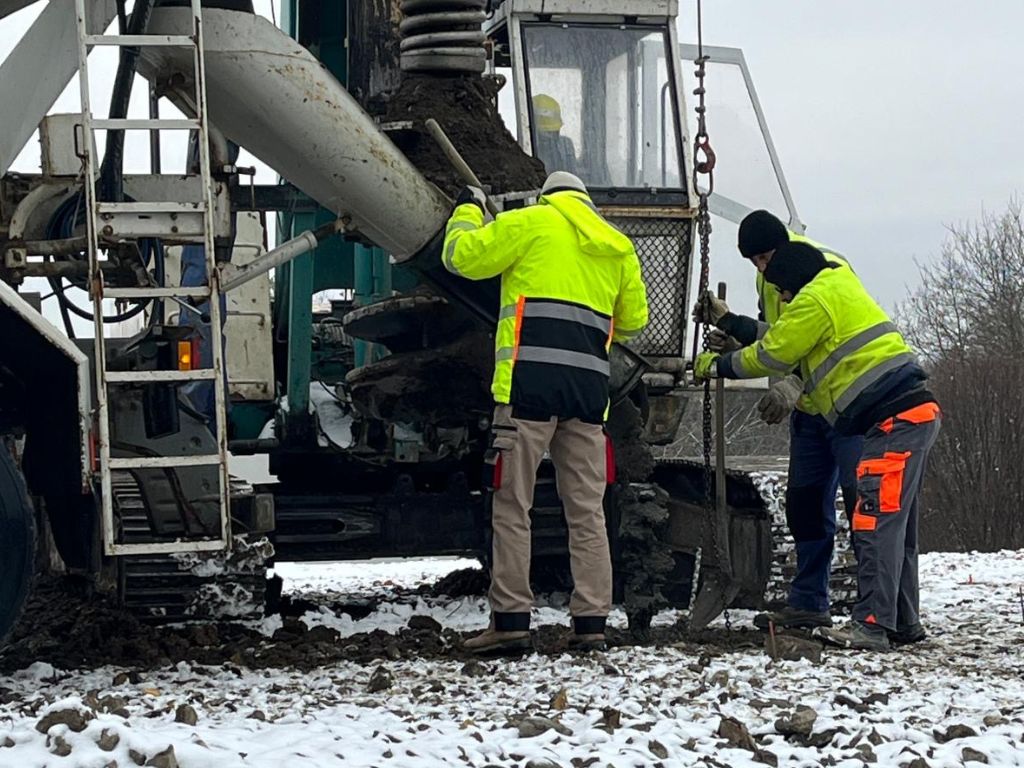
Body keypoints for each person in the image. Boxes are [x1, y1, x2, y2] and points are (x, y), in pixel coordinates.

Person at [693, 240, 940, 651]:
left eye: (784, 291)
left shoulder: (811, 300)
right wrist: (735, 324)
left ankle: (872, 626)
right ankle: (903, 621)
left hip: (891, 422)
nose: (783, 299)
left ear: (793, 280)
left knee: (873, 521)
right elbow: (786, 336)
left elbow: (771, 353)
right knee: (897, 524)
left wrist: (716, 366)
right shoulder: (837, 285)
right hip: (911, 414)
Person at [442, 171, 648, 654]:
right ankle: (591, 624)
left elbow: (461, 258)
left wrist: (468, 208)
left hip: (527, 390)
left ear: (546, 196)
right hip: (587, 397)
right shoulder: (617, 246)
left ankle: (511, 622)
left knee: (514, 506)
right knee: (587, 512)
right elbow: (634, 321)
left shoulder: (530, 222)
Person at [693, 210, 862, 631]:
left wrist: (793, 383)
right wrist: (734, 330)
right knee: (805, 506)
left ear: (784, 247)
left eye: (765, 258)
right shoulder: (768, 279)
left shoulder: (828, 268)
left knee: (865, 507)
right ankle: (808, 602)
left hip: (846, 408)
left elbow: (831, 339)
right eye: (754, 262)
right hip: (809, 413)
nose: (762, 269)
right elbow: (779, 336)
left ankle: (881, 608)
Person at [531, 95, 580, 177]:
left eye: (554, 132)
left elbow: (572, 178)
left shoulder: (565, 146)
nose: (551, 138)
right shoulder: (526, 151)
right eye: (547, 133)